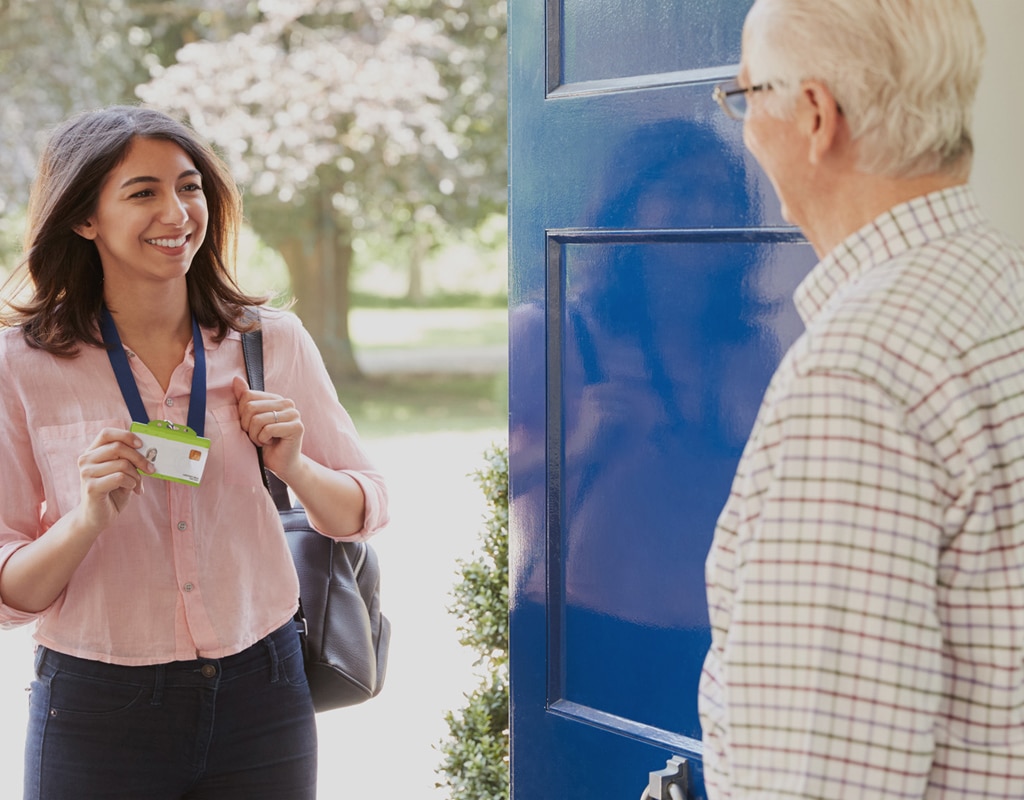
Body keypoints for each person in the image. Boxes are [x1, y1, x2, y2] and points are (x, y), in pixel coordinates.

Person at [0, 105, 389, 799]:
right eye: (142, 192)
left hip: (263, 691)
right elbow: (10, 593)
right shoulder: (19, 367)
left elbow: (364, 510)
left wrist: (294, 465)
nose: (176, 212)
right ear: (84, 218)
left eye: (190, 187)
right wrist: (86, 516)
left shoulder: (268, 342)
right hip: (96, 706)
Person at [701, 1, 1024, 797]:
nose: (742, 129)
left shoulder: (858, 375)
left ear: (815, 115)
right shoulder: (1001, 283)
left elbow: (820, 781)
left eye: (745, 96)